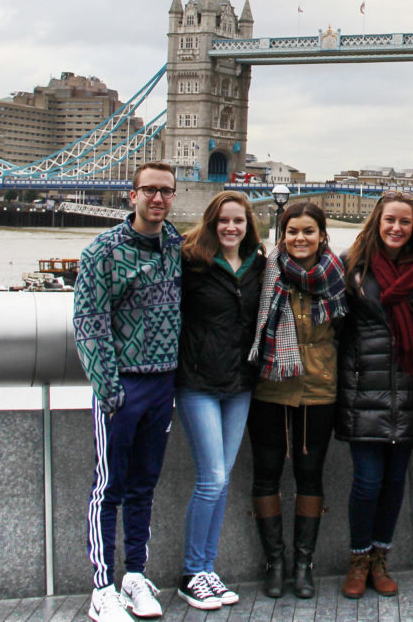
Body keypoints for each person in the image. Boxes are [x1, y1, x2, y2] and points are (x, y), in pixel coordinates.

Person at [73, 162, 181, 622]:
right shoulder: (102, 251)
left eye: (166, 192)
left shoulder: (177, 245)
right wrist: (109, 389)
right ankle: (102, 587)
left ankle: (135, 574)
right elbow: (88, 324)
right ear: (131, 195)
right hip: (123, 386)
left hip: (164, 384)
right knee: (109, 487)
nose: (158, 199)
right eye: (149, 191)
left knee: (144, 486)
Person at [336, 191, 413, 599]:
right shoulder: (353, 266)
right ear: (377, 222)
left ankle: (381, 558)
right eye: (390, 220)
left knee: (395, 482)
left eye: (406, 222)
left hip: (409, 387)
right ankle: (358, 558)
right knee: (367, 482)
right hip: (364, 388)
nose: (397, 228)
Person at [247, 201, 348, 600]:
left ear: (322, 235)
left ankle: (304, 564)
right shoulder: (264, 273)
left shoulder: (338, 276)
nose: (300, 239)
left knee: (310, 476)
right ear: (281, 234)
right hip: (270, 385)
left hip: (319, 389)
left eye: (308, 231)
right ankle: (274, 562)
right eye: (292, 231)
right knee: (266, 474)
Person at [174, 191, 266, 610]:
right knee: (211, 478)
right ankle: (192, 573)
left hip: (240, 384)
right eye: (223, 221)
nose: (231, 228)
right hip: (197, 382)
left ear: (249, 226)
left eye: (239, 222)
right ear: (211, 223)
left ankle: (207, 569)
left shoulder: (259, 265)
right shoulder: (188, 262)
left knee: (223, 479)